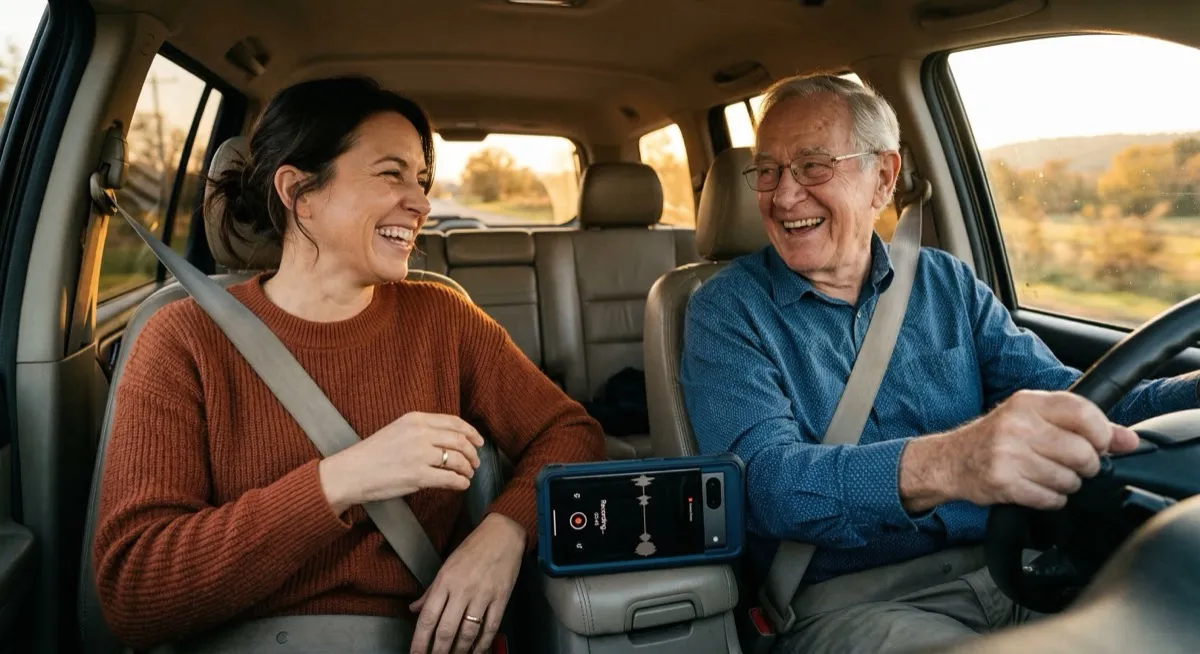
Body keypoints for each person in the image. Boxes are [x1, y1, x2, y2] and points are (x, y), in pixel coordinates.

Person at [679, 73, 1200, 653]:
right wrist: (950, 463)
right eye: (768, 170)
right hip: (846, 602)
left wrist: (1191, 389)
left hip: (1007, 569)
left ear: (883, 177)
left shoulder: (944, 282)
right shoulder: (725, 311)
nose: (781, 195)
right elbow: (767, 484)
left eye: (812, 165)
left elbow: (1072, 399)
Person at [92, 76, 606, 654]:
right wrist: (344, 479)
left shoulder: (445, 319)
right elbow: (135, 591)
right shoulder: (181, 339)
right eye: (391, 174)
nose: (421, 202)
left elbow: (571, 431)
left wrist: (505, 531)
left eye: (422, 180)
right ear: (298, 191)